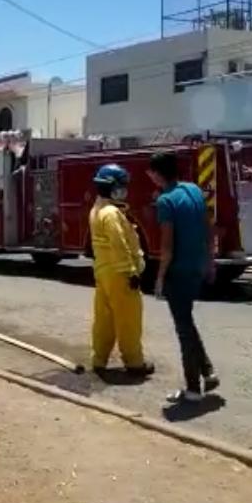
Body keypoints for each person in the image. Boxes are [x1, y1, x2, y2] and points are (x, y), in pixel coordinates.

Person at [148, 151, 219, 404]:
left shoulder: (166, 201)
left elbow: (167, 248)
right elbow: (209, 229)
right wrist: (210, 262)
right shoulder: (194, 191)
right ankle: (208, 371)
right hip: (196, 268)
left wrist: (159, 278)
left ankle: (192, 389)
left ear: (157, 174)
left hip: (177, 272)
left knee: (183, 330)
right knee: (187, 322)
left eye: (151, 172)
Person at [88, 164, 154, 378]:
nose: (125, 190)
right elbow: (119, 244)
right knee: (128, 320)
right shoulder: (111, 214)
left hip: (104, 272)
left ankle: (99, 359)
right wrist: (131, 272)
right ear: (113, 188)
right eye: (122, 186)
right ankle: (135, 363)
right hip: (120, 274)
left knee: (104, 320)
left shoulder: (97, 209)